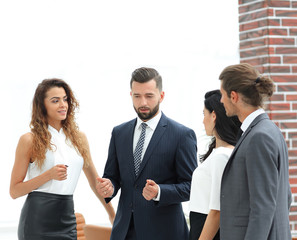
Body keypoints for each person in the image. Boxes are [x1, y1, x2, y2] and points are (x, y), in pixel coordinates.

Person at [96, 67, 198, 240]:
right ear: (131, 96)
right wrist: (109, 187)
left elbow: (191, 187)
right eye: (137, 96)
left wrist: (159, 191)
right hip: (124, 231)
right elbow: (112, 176)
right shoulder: (119, 133)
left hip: (164, 233)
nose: (143, 102)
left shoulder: (182, 135)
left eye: (149, 96)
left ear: (162, 96)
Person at [10, 78, 115, 240]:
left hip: (67, 218)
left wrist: (112, 215)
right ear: (42, 105)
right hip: (37, 221)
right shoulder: (29, 140)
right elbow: (14, 191)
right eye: (55, 100)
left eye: (65, 99)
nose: (63, 105)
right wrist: (48, 175)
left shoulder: (79, 139)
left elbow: (95, 182)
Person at [219, 63, 292, 239]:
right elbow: (286, 196)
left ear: (234, 96)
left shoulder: (259, 136)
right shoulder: (268, 130)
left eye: (222, 95)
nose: (221, 101)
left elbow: (263, 206)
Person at [189, 90, 241, 240]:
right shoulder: (220, 153)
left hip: (208, 230)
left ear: (214, 116)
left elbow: (217, 210)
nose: (203, 120)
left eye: (204, 114)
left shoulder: (222, 156)